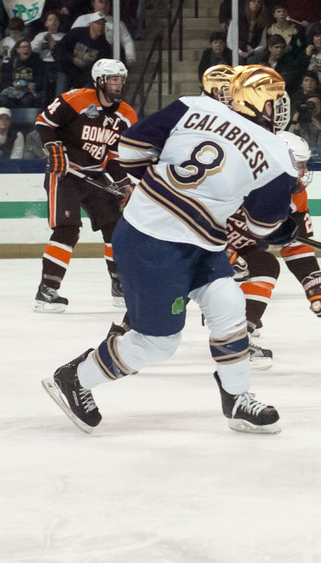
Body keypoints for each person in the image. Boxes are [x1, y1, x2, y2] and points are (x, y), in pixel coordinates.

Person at [42, 65, 296, 435]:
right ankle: (75, 378)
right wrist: (280, 226)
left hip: (185, 239)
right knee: (157, 344)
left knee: (228, 305)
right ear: (267, 103)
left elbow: (128, 151)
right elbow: (261, 229)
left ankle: (237, 398)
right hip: (153, 244)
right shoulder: (276, 154)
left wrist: (170, 191)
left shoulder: (192, 106)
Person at [224, 129, 321, 369]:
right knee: (171, 298)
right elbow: (195, 217)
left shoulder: (296, 196)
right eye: (300, 165)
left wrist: (313, 283)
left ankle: (238, 339)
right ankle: (129, 329)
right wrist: (220, 251)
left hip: (240, 250)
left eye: (305, 165)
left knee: (265, 265)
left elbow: (296, 244)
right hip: (198, 245)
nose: (304, 171)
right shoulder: (236, 180)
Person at [33, 59, 136, 313]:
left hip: (96, 176)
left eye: (120, 79)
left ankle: (118, 284)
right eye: (112, 79)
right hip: (65, 173)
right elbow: (44, 123)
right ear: (99, 80)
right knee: (68, 230)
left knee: (116, 228)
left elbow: (113, 155)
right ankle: (47, 290)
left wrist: (123, 183)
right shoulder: (76, 99)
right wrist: (53, 148)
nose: (118, 83)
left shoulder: (127, 115)